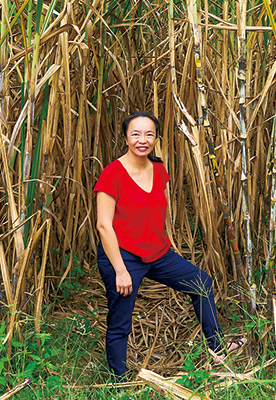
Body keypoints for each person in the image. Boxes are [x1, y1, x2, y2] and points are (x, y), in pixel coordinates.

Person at [94, 111, 236, 377]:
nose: (142, 140)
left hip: (157, 253)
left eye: (149, 134)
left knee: (201, 283)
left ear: (156, 138)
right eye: (135, 134)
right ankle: (118, 381)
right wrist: (121, 271)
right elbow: (104, 225)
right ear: (125, 137)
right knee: (120, 321)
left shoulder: (159, 170)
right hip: (122, 257)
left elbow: (153, 212)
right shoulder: (112, 173)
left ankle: (218, 351)